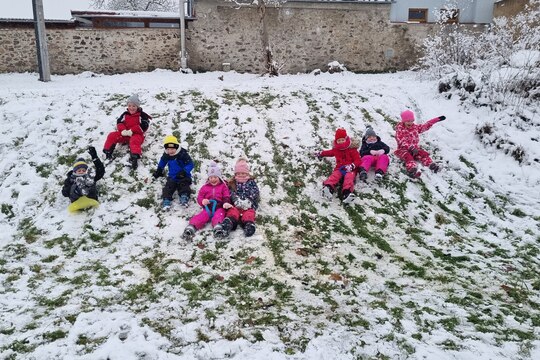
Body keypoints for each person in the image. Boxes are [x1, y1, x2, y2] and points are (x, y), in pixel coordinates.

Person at [182, 162, 231, 240]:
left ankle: (218, 227)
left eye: (215, 177)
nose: (213, 179)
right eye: (211, 177)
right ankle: (192, 226)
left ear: (219, 177)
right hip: (208, 208)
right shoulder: (205, 187)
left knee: (219, 215)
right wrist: (203, 201)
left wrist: (225, 202)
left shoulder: (223, 186)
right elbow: (200, 197)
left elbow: (226, 195)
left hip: (219, 207)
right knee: (202, 216)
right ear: (208, 178)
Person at [102, 94, 151, 169]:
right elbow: (119, 122)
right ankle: (108, 152)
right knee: (112, 135)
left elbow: (144, 126)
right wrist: (123, 130)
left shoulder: (142, 115)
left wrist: (132, 130)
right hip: (125, 134)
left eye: (134, 106)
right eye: (130, 105)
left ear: (138, 106)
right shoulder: (125, 114)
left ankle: (134, 158)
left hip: (136, 135)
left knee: (134, 140)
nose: (131, 108)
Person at [395, 110, 446, 178]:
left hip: (415, 149)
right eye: (408, 121)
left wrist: (436, 120)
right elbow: (401, 140)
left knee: (422, 154)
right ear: (403, 121)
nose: (410, 123)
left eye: (411, 121)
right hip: (403, 149)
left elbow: (424, 126)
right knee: (408, 157)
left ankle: (431, 165)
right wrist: (411, 147)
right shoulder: (400, 129)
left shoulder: (414, 127)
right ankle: (412, 170)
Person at [316, 128, 361, 203]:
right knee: (335, 175)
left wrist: (352, 166)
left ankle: (347, 193)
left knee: (349, 177)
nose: (341, 142)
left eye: (342, 140)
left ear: (346, 139)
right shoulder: (336, 149)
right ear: (336, 141)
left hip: (350, 169)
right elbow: (329, 153)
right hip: (340, 168)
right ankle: (328, 187)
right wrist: (321, 153)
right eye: (339, 140)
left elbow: (358, 160)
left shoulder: (352, 149)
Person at [152, 135, 194, 210]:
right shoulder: (166, 155)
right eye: (168, 149)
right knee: (168, 187)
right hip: (172, 176)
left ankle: (184, 197)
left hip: (183, 176)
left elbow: (190, 164)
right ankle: (166, 200)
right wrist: (159, 170)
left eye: (172, 149)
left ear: (176, 147)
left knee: (184, 186)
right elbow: (162, 162)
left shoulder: (182, 154)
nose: (170, 151)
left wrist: (184, 171)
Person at [221, 158, 260, 237]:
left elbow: (255, 192)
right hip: (236, 204)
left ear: (247, 173)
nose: (241, 175)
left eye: (243, 173)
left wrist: (249, 200)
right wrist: (236, 200)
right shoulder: (233, 183)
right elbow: (230, 192)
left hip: (248, 205)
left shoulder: (251, 182)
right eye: (239, 173)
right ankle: (229, 222)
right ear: (235, 174)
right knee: (232, 211)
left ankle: (248, 224)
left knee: (249, 213)